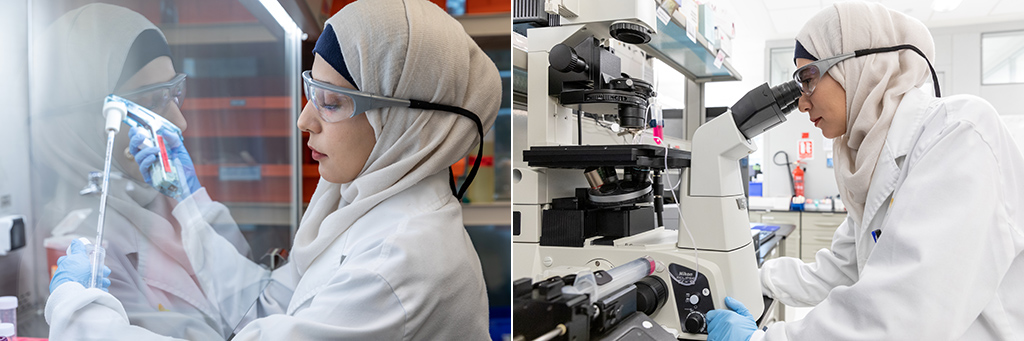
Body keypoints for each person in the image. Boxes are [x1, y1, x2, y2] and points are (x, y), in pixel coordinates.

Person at [45, 0, 502, 339]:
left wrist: (81, 318)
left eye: (333, 102)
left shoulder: (400, 261)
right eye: (310, 91)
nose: (304, 120)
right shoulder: (357, 209)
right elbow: (261, 307)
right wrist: (189, 201)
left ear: (406, 120)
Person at [707, 2, 1024, 340]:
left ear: (860, 66)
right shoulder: (870, 163)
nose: (801, 102)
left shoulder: (960, 132)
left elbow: (906, 312)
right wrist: (750, 279)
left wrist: (765, 339)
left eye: (809, 78)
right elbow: (840, 269)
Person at [35, 4, 250, 339]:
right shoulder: (74, 243)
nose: (180, 122)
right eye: (151, 102)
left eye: (175, 93)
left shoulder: (158, 193)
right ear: (85, 122)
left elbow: (248, 293)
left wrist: (193, 202)